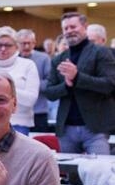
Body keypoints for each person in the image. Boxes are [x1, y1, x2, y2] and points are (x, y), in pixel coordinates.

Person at [44, 12, 115, 155]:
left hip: (95, 127)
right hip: (66, 129)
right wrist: (66, 85)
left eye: (73, 26)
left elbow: (109, 85)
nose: (69, 31)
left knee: (99, 173)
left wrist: (77, 77)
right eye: (66, 28)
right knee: (71, 175)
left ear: (85, 27)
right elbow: (49, 92)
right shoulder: (59, 59)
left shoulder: (101, 53)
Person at [16, 29, 52, 133]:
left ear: (34, 43)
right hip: (18, 113)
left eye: (29, 43)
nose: (26, 46)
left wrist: (30, 85)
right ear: (17, 44)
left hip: (39, 110)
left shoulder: (44, 58)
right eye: (23, 43)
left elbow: (50, 82)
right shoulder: (12, 59)